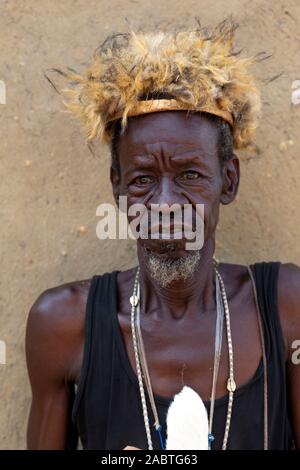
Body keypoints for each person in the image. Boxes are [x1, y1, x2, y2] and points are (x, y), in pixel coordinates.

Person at [26, 20, 300, 450]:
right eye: (142, 180)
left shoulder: (286, 307)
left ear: (228, 181)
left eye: (190, 175)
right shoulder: (62, 325)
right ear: (116, 185)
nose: (165, 205)